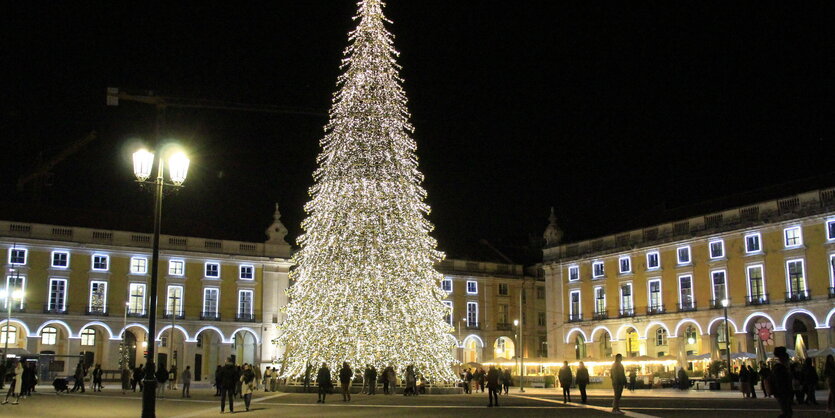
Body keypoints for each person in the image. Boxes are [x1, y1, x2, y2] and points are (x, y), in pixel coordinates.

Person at [770, 346, 793, 418]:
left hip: (783, 392)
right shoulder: (779, 368)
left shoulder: (779, 367)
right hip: (782, 392)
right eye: (787, 359)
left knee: (787, 411)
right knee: (786, 412)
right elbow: (780, 382)